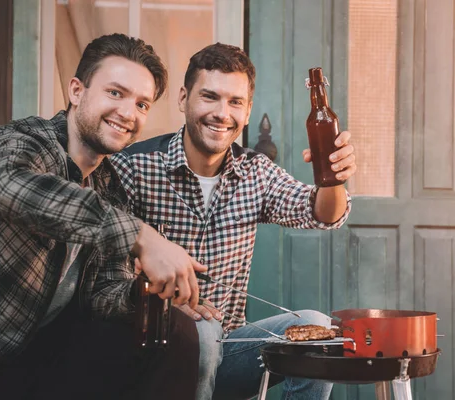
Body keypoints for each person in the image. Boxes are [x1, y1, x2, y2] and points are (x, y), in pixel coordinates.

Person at [0, 33, 206, 400]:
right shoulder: (20, 141)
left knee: (175, 329)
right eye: (116, 93)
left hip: (43, 359)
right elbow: (8, 189)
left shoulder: (111, 188)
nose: (128, 113)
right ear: (77, 90)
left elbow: (102, 295)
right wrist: (143, 236)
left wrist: (146, 293)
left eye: (142, 104)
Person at [111, 43, 356, 399]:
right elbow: (105, 275)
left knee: (317, 330)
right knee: (203, 331)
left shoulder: (255, 172)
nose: (222, 113)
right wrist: (166, 304)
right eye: (209, 97)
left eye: (235, 102)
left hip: (227, 351)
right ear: (183, 98)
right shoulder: (134, 167)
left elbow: (322, 213)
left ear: (248, 110)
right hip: (150, 356)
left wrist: (332, 178)